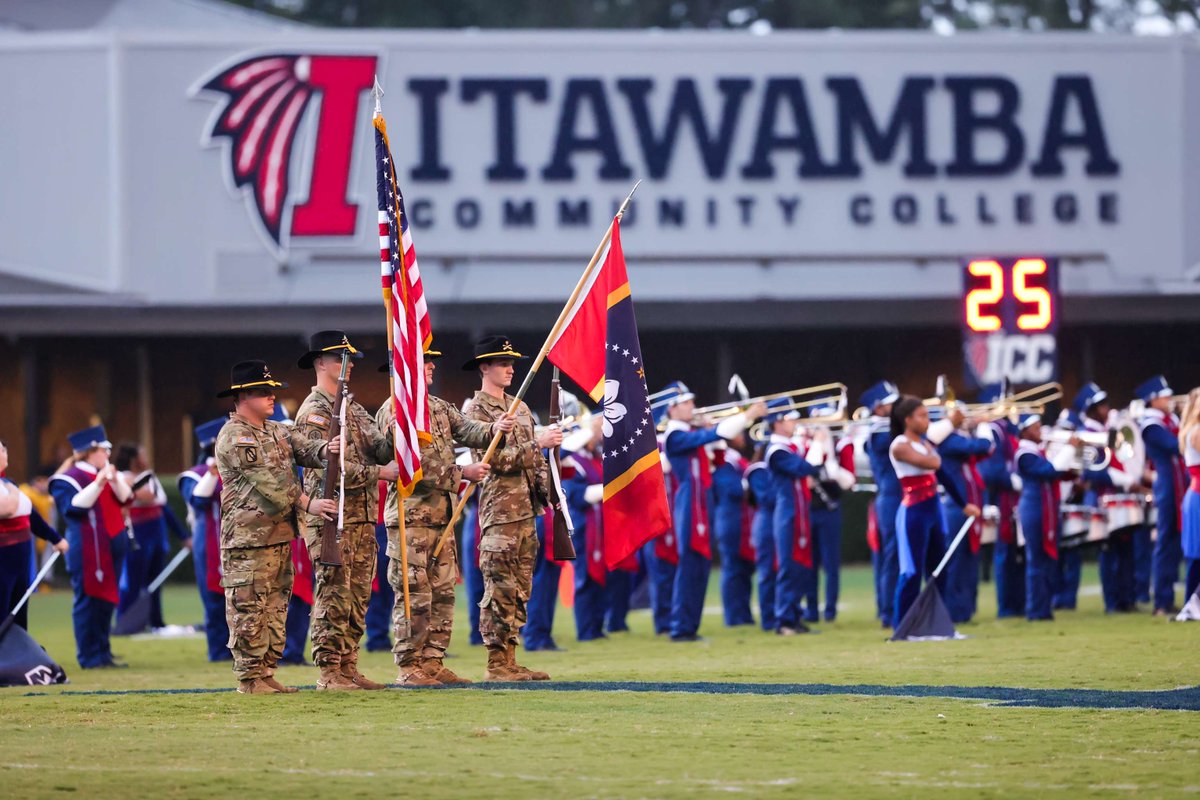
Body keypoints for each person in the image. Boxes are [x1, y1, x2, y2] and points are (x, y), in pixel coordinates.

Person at [376, 344, 508, 685]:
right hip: (411, 518)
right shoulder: (395, 411)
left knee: (443, 593)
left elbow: (467, 430)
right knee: (413, 593)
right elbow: (412, 465)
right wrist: (461, 474)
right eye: (423, 362)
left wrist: (494, 429)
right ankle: (409, 665)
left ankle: (433, 661)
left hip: (442, 516)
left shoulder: (437, 407)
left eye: (432, 360)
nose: (431, 366)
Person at [213, 359, 339, 694]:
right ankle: (250, 677)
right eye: (263, 392)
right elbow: (267, 482)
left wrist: (327, 449)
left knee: (274, 606)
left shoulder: (276, 430)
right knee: (249, 607)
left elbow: (304, 448)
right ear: (243, 397)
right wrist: (309, 503)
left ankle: (266, 671)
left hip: (278, 535)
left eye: (272, 391)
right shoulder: (236, 436)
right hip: (247, 540)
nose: (272, 397)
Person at [294, 331, 398, 691]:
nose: (348, 365)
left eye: (350, 359)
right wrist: (379, 474)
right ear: (320, 363)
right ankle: (328, 673)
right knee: (333, 596)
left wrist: (399, 427)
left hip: (361, 515)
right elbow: (328, 467)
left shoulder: (352, 408)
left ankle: (348, 666)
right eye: (340, 358)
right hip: (332, 519)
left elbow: (380, 449)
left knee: (357, 597)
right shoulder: (316, 411)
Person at [463, 335, 560, 681]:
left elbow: (535, 466)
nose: (510, 369)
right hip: (500, 513)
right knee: (499, 587)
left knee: (520, 589)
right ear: (484, 368)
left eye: (512, 363)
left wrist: (551, 494)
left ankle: (511, 658)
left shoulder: (518, 408)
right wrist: (537, 443)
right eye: (502, 363)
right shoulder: (475, 411)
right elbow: (491, 461)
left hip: (526, 510)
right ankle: (496, 663)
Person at [660, 381, 765, 641]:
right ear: (671, 409)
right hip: (689, 503)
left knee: (701, 566)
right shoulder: (674, 435)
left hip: (701, 502)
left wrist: (713, 430)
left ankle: (689, 627)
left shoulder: (688, 431)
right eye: (686, 403)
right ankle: (680, 628)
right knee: (689, 566)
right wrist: (747, 416)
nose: (692, 406)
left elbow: (718, 455)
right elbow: (715, 435)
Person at [889, 396, 980, 627]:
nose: (927, 421)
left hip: (934, 511)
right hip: (914, 513)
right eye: (922, 416)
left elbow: (942, 474)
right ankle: (903, 626)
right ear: (907, 420)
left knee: (939, 569)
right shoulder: (900, 445)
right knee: (911, 571)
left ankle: (935, 623)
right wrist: (934, 457)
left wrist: (963, 504)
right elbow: (932, 464)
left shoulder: (924, 444)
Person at [49, 425, 133, 668]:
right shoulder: (67, 479)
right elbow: (73, 508)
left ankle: (103, 651)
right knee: (88, 602)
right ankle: (89, 655)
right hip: (86, 550)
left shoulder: (104, 472)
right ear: (88, 452)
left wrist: (114, 479)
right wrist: (98, 483)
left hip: (111, 546)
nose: (107, 455)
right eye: (103, 450)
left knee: (107, 601)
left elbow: (126, 498)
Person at [1075, 383, 1140, 613]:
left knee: (1126, 551)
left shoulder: (1111, 429)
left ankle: (1127, 598)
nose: (1106, 408)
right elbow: (1089, 471)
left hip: (1121, 497)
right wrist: (1122, 478)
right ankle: (1112, 602)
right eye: (1100, 405)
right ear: (1091, 409)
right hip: (1102, 498)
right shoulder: (1084, 434)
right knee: (1109, 551)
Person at [115, 442, 191, 630]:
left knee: (155, 582)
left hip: (156, 534)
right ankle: (126, 621)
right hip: (137, 534)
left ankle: (155, 620)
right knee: (134, 581)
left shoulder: (147, 477)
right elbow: (147, 496)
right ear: (133, 459)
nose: (146, 459)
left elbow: (163, 507)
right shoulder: (123, 478)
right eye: (143, 455)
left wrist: (183, 535)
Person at [764, 398, 823, 635]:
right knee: (788, 566)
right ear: (777, 423)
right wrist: (818, 443)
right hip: (787, 512)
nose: (794, 422)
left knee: (800, 566)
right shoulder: (777, 451)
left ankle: (794, 616)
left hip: (798, 512)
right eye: (789, 418)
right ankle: (784, 620)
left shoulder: (788, 447)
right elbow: (806, 468)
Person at [1014, 414, 1078, 621]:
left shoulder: (1038, 452)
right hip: (1035, 509)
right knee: (1037, 560)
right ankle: (1036, 609)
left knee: (1048, 561)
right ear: (1024, 431)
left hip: (1047, 508)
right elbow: (1050, 471)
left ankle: (1045, 608)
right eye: (1035, 427)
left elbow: (1059, 473)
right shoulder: (1024, 454)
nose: (1040, 430)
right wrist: (1069, 447)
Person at [933, 405, 993, 624]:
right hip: (955, 506)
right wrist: (985, 424)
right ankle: (953, 612)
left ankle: (964, 611)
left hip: (965, 504)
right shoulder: (949, 440)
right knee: (957, 561)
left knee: (968, 560)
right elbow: (982, 446)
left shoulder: (955, 437)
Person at [178, 418, 231, 661]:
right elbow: (197, 501)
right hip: (209, 542)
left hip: (236, 539)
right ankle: (218, 651)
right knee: (214, 599)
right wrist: (212, 472)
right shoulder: (193, 475)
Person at [1135, 376, 1189, 615]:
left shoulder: (1171, 419)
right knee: (1165, 542)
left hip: (1181, 484)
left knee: (1178, 543)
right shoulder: (1151, 425)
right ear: (1153, 400)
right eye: (1165, 396)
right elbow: (1176, 444)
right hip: (1167, 486)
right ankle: (1161, 601)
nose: (1169, 399)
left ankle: (1173, 597)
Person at [1, 440, 68, 630]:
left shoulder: (8, 484)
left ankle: (19, 656)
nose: (5, 452)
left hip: (20, 561)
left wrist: (56, 539)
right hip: (3, 561)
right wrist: (13, 490)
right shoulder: (12, 487)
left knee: (19, 614)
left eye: (4, 448)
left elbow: (32, 517)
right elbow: (8, 508)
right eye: (0, 450)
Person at [802, 406, 857, 623]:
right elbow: (806, 468)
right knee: (810, 563)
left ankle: (831, 611)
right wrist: (817, 444)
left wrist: (831, 465)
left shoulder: (840, 444)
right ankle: (812, 610)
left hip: (830, 509)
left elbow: (850, 480)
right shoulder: (804, 442)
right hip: (809, 509)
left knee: (831, 564)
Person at [976, 390, 1025, 618]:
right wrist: (1012, 481)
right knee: (1005, 553)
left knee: (1017, 552)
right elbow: (990, 470)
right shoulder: (991, 429)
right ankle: (1007, 606)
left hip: (1014, 497)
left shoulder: (1006, 428)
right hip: (1001, 497)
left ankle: (1018, 602)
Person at [562, 414, 607, 641]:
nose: (599, 436)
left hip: (598, 525)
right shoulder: (573, 460)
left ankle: (597, 626)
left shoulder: (595, 458)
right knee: (584, 578)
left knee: (600, 577)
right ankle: (586, 628)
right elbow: (577, 496)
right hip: (582, 525)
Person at [861, 381, 902, 627]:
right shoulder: (878, 432)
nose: (896, 408)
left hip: (899, 497)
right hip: (891, 498)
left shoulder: (886, 427)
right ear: (877, 408)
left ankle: (899, 607)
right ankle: (888, 612)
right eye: (891, 404)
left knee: (902, 555)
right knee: (893, 556)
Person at [711, 437, 755, 627]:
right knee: (732, 568)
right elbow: (731, 489)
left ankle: (744, 613)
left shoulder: (735, 457)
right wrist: (752, 483)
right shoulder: (725, 460)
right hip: (729, 519)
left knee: (744, 568)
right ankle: (733, 616)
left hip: (742, 519)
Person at [745, 448, 776, 632]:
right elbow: (765, 498)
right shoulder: (757, 470)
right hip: (766, 523)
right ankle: (768, 618)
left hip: (775, 520)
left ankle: (781, 612)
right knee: (766, 572)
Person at [363, 480, 394, 653]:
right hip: (378, 524)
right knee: (378, 586)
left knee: (391, 586)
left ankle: (381, 634)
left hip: (390, 524)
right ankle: (377, 636)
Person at [1177, 389, 1200, 603]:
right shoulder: (1197, 431)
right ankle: (1192, 603)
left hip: (1195, 493)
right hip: (1198, 494)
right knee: (1197, 553)